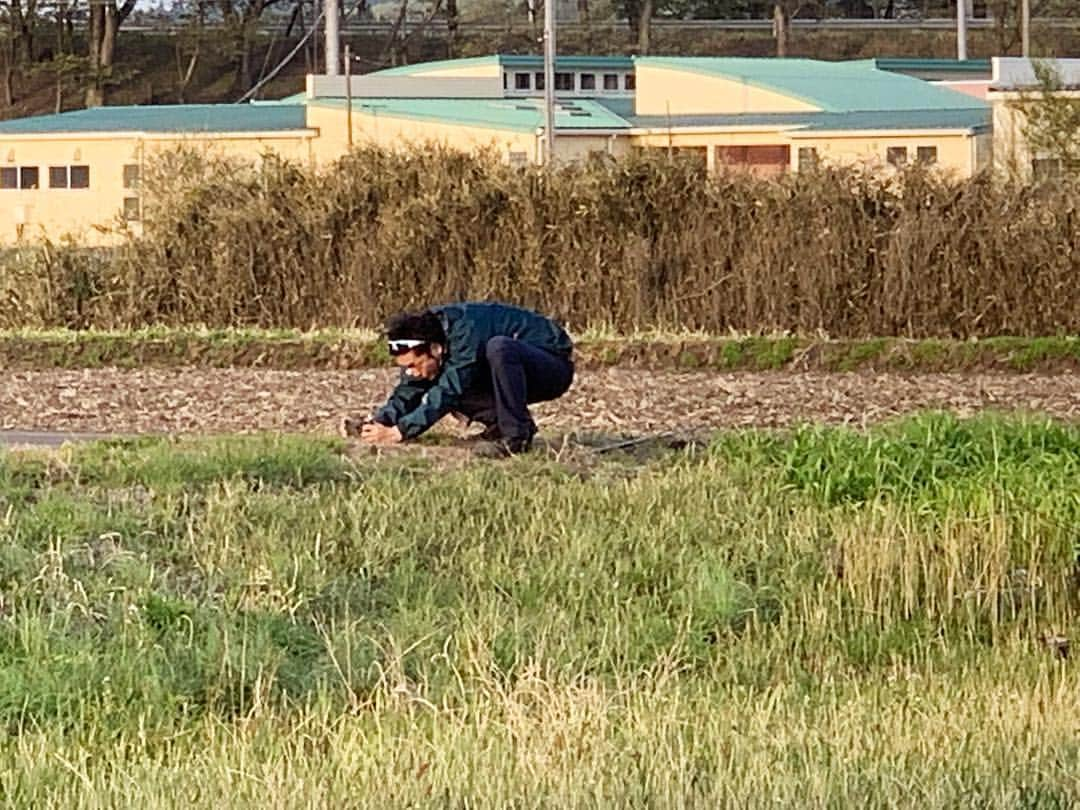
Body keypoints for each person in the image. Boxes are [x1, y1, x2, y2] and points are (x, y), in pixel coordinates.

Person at [349, 301, 574, 455]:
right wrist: (381, 421)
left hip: (551, 367)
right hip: (506, 370)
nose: (411, 372)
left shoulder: (465, 334)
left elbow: (447, 391)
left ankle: (515, 438)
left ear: (435, 349)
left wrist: (400, 432)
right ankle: (499, 427)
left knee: (498, 349)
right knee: (442, 375)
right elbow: (409, 388)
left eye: (413, 365)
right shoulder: (428, 339)